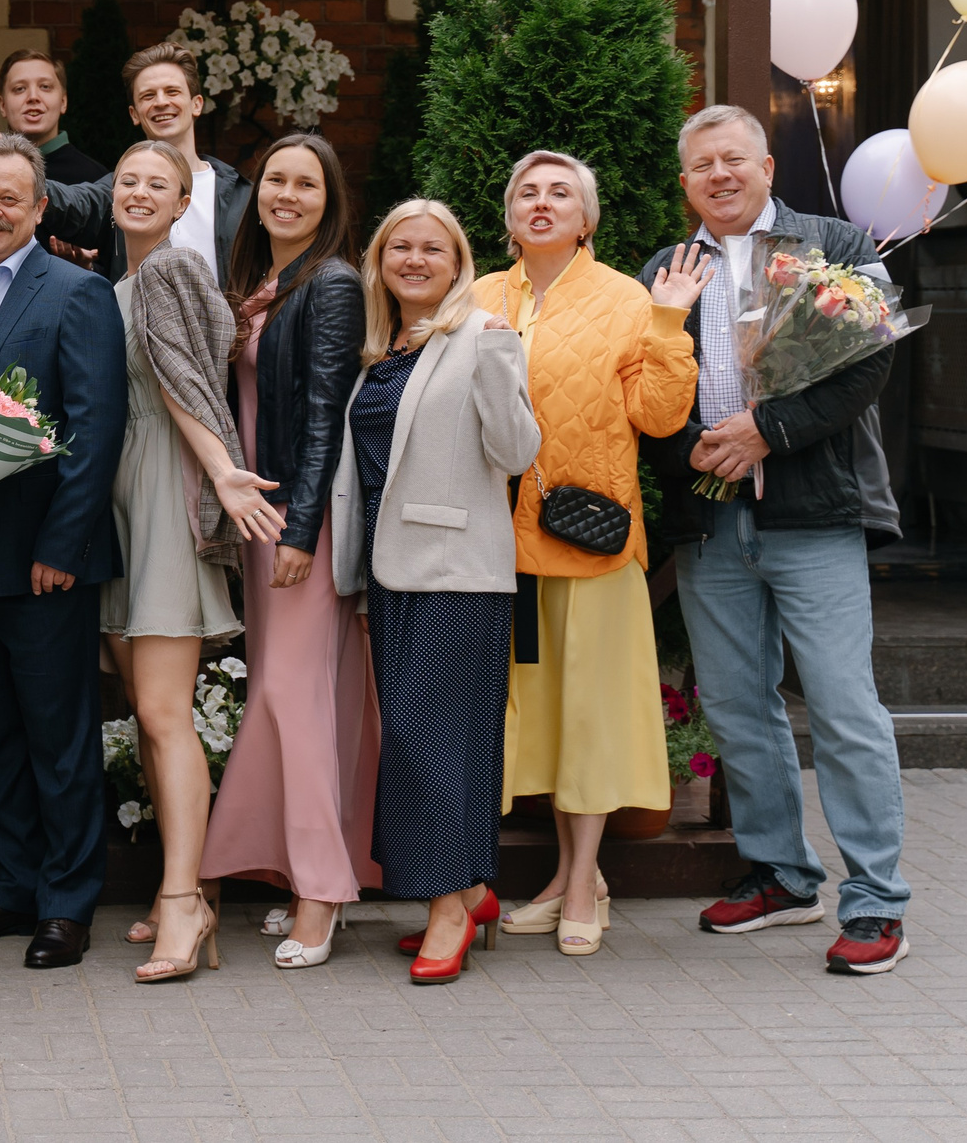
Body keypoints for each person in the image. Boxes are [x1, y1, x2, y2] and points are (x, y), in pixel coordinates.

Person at [642, 105, 909, 977]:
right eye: (701, 165)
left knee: (842, 708)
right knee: (737, 709)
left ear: (765, 165)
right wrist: (692, 451)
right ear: (685, 183)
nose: (720, 175)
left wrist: (771, 430)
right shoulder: (666, 267)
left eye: (734, 159)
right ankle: (784, 877)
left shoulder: (833, 243)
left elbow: (867, 364)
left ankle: (874, 902)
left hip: (812, 513)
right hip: (713, 521)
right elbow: (644, 383)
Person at [487, 151, 710, 956]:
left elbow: (656, 416)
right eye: (527, 192)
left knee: (588, 717)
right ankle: (565, 874)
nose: (541, 204)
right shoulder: (478, 296)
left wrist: (668, 322)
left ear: (587, 220)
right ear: (508, 215)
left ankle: (581, 879)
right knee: (537, 719)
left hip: (590, 543)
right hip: (497, 551)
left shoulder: (626, 298)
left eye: (560, 194)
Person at [0, 135, 130, 971]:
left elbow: (93, 429)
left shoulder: (76, 293)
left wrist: (62, 544)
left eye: (10, 197)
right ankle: (6, 890)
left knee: (60, 735)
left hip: (43, 561)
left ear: (40, 207)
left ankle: (68, 904)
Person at [331, 199, 538, 986]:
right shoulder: (381, 348)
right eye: (400, 248)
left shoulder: (483, 337)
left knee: (431, 742)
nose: (415, 260)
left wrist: (496, 358)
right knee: (414, 742)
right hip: (389, 574)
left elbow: (516, 450)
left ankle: (449, 908)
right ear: (380, 260)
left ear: (459, 264)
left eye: (433, 249)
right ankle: (468, 891)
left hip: (458, 572)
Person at [198, 134, 382, 970]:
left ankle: (319, 895)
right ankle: (310, 866)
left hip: (296, 524)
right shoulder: (267, 284)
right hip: (264, 517)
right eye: (276, 179)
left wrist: (303, 530)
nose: (287, 194)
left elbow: (323, 417)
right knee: (312, 699)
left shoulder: (334, 284)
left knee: (292, 698)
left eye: (306, 183)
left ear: (329, 198)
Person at [99, 141, 274, 985]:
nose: (138, 193)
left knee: (165, 711)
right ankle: (182, 885)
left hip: (165, 490)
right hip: (122, 496)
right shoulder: (120, 283)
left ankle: (184, 902)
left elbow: (180, 384)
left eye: (156, 186)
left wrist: (219, 469)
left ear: (181, 206)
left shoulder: (168, 273)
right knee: (146, 707)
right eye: (127, 181)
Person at [40, 44, 250, 281]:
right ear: (134, 114)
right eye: (148, 95)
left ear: (196, 104)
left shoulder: (240, 195)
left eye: (172, 91)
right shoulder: (120, 189)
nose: (161, 102)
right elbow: (70, 202)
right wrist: (19, 176)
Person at [0, 48, 107, 184]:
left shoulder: (95, 179)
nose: (33, 97)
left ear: (63, 102)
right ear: (3, 106)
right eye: (20, 88)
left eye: (45, 87)